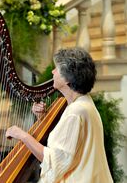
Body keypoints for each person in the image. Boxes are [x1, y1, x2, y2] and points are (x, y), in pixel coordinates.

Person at [6, 47, 113, 182]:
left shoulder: (75, 112)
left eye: (56, 69)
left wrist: (21, 135)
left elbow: (56, 161)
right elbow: (68, 143)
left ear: (67, 79)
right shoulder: (83, 103)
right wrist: (42, 118)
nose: (52, 72)